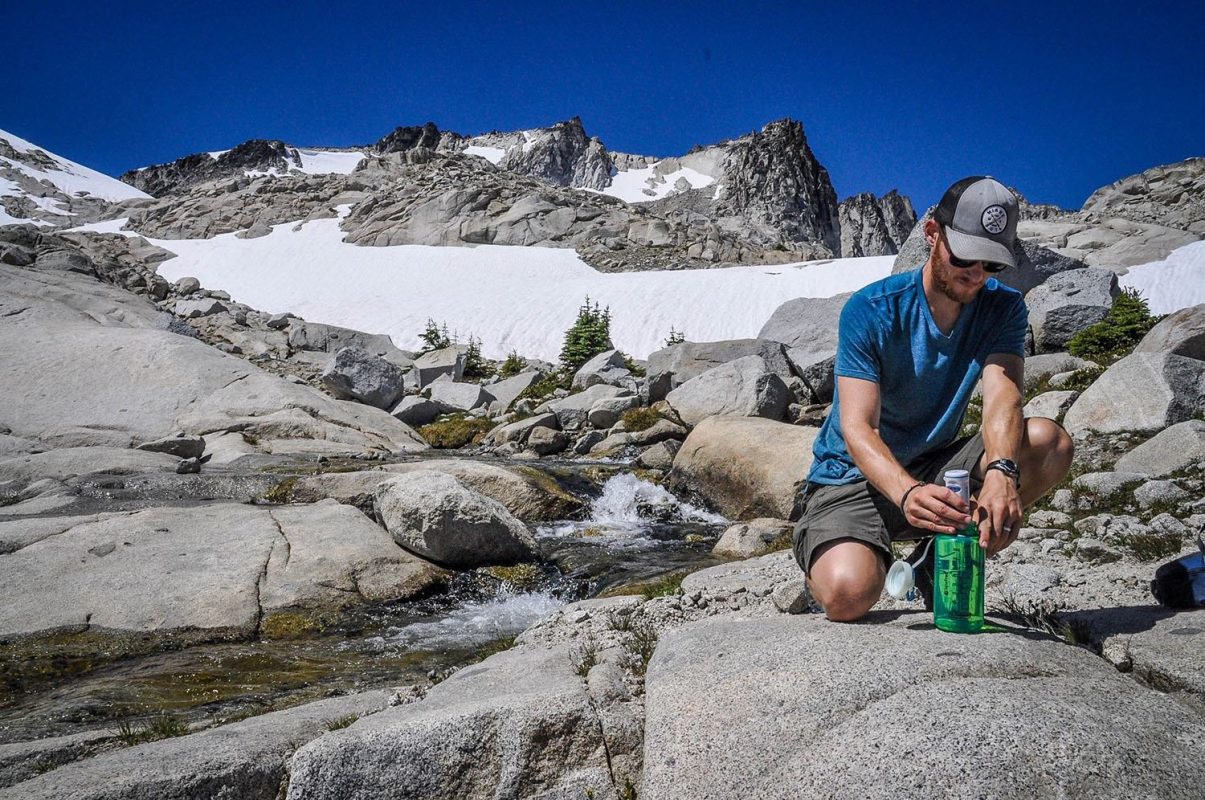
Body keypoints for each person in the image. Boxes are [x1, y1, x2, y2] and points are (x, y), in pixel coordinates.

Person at [792, 176, 1074, 622]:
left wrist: (1002, 471)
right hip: (852, 477)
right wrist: (906, 493)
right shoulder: (873, 310)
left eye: (992, 263)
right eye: (964, 255)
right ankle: (830, 561)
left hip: (935, 469)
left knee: (1048, 442)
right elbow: (857, 427)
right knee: (849, 595)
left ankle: (934, 560)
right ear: (932, 235)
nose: (976, 274)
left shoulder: (1003, 308)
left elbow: (1004, 396)